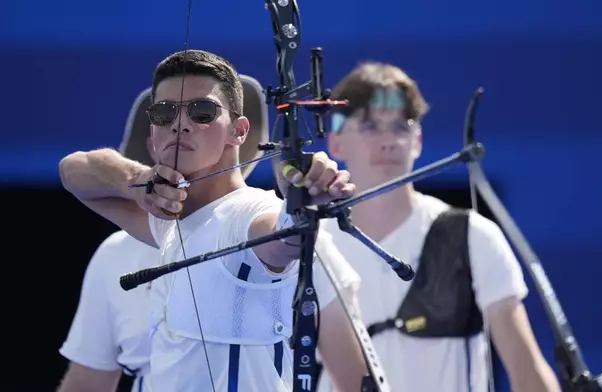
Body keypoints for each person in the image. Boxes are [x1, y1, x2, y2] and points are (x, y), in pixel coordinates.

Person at [58, 49, 369, 392]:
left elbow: (282, 237)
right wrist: (139, 181)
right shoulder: (167, 222)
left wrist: (300, 205)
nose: (180, 123)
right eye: (164, 113)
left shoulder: (249, 213)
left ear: (239, 130)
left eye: (201, 111)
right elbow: (73, 171)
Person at [316, 61, 562, 392]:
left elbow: (526, 368)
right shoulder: (315, 245)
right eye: (370, 126)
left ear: (417, 141)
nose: (389, 141)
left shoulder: (473, 236)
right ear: (336, 144)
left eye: (402, 126)